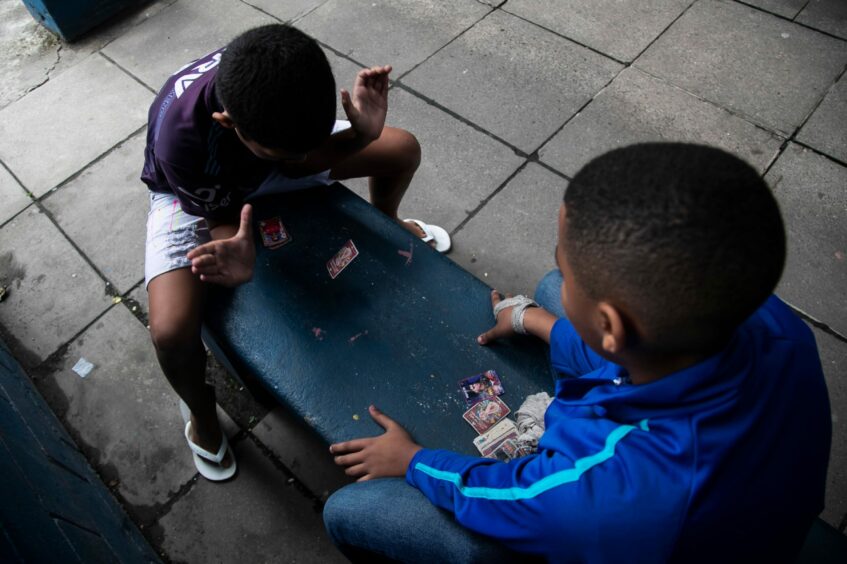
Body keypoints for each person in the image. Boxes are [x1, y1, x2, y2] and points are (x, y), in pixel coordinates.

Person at [323, 143, 832, 562]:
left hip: (645, 521)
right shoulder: (775, 322)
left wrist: (413, 460)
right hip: (743, 483)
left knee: (348, 512)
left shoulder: (604, 496)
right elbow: (611, 344)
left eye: (568, 264)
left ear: (610, 329)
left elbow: (505, 495)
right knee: (546, 289)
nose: (565, 276)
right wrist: (531, 318)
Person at [141, 24, 451, 481]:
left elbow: (301, 155)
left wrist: (361, 134)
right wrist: (235, 245)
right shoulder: (182, 140)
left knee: (401, 148)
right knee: (169, 330)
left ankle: (390, 226)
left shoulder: (284, 82)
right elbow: (222, 214)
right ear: (230, 123)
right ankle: (201, 414)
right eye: (280, 152)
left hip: (274, 150)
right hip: (188, 189)